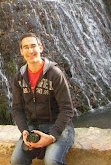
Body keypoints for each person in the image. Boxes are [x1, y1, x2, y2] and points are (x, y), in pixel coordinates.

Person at [11, 33, 75, 165]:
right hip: (33, 128)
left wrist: (52, 136)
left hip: (60, 127)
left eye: (33, 46)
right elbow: (17, 109)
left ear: (40, 47)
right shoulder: (19, 78)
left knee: (52, 161)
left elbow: (67, 109)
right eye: (26, 47)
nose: (30, 51)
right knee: (17, 160)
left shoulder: (55, 74)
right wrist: (24, 130)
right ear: (21, 51)